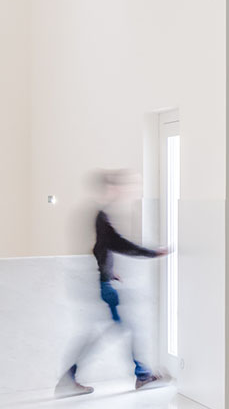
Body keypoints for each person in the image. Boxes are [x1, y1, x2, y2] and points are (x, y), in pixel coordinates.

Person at [55, 169, 172, 396]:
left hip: (104, 281)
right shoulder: (101, 215)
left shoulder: (99, 215)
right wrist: (153, 253)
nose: (122, 191)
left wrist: (109, 271)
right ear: (110, 189)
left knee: (114, 330)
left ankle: (70, 379)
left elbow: (101, 247)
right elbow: (116, 243)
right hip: (104, 286)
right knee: (128, 328)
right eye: (119, 187)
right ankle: (142, 376)